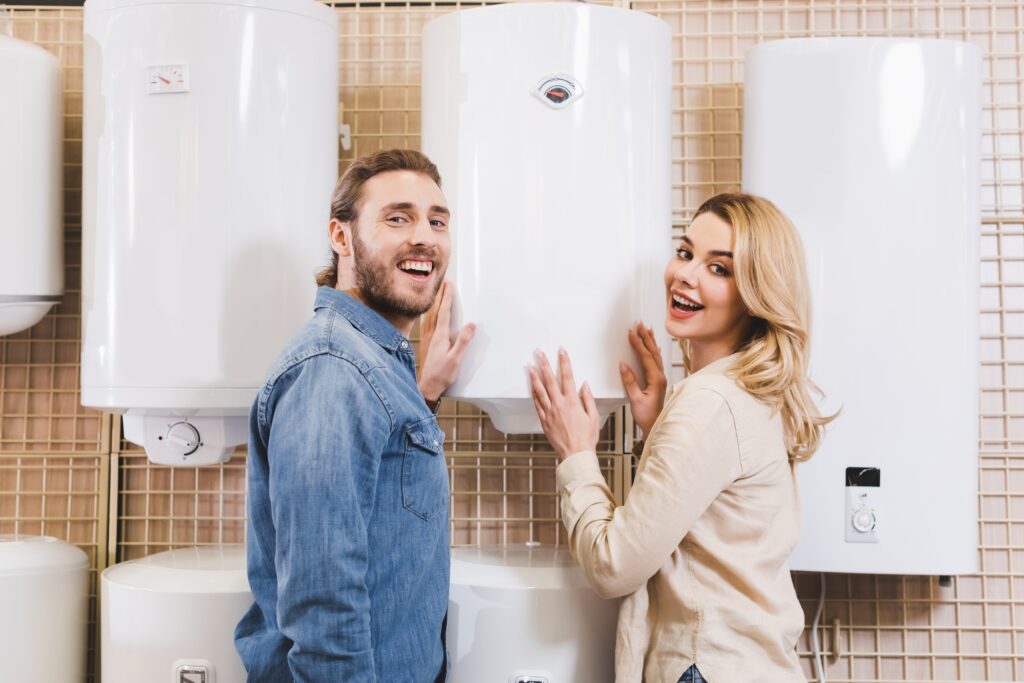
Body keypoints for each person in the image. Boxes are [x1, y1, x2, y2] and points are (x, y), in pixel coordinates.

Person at [528, 192, 834, 683]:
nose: (685, 275)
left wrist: (577, 454)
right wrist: (659, 427)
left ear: (756, 294)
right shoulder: (748, 390)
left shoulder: (710, 403)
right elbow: (714, 528)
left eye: (719, 268)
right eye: (686, 253)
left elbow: (613, 566)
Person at [235, 149, 475, 682]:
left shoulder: (370, 363)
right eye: (398, 218)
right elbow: (324, 603)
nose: (425, 237)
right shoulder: (333, 369)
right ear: (341, 237)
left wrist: (424, 394)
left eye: (437, 221)